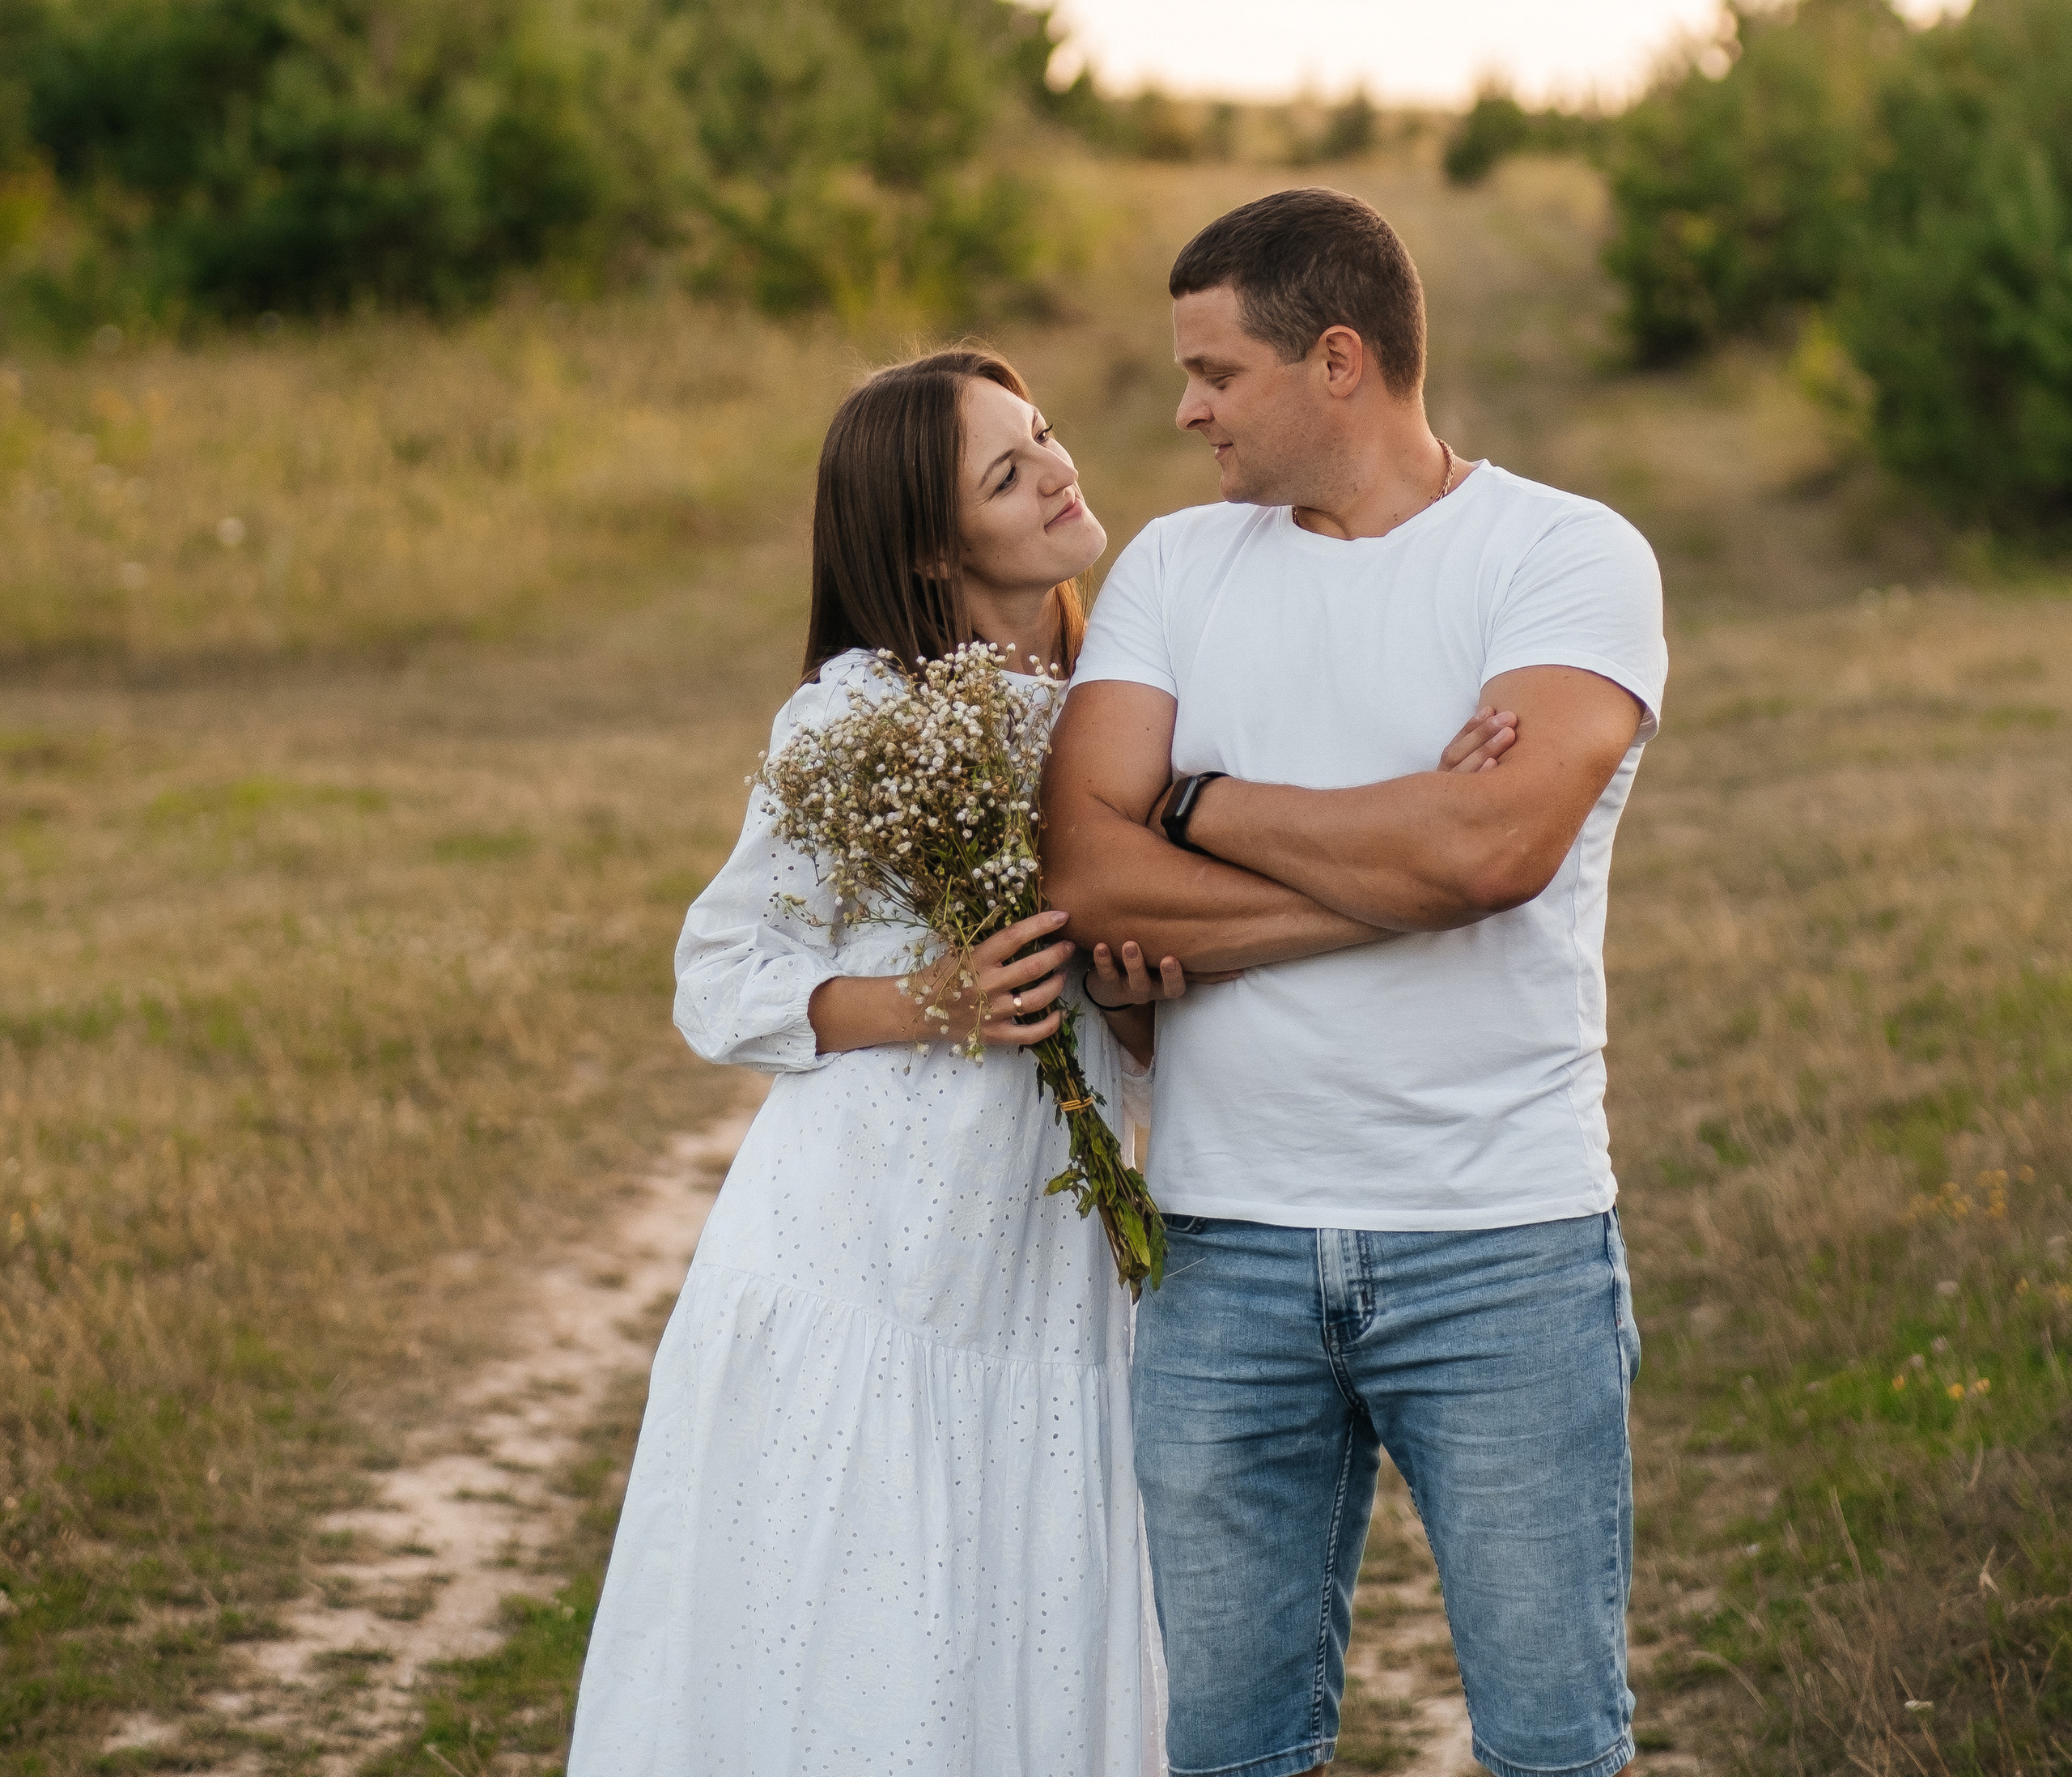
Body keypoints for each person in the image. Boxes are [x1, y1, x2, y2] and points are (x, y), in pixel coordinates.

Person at [1044, 187, 1669, 1777]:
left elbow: (1486, 851)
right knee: (1230, 1753)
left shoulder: (1562, 554)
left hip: (1500, 1248)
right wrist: (1402, 869)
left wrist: (1196, 802)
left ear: (1336, 359)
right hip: (1222, 1253)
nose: (1180, 412)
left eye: (1212, 374)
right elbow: (1082, 874)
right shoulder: (1177, 568)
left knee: (1550, 1745)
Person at [567, 347, 1178, 1777]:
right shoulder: (857, 713)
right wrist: (935, 999)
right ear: (925, 542)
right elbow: (717, 980)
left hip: (1047, 1260)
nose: (1057, 471)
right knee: (864, 1620)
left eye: (1045, 437)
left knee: (1027, 1599)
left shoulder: (1125, 702)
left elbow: (1132, 1007)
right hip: (870, 1253)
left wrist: (1138, 1011)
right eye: (1006, 473)